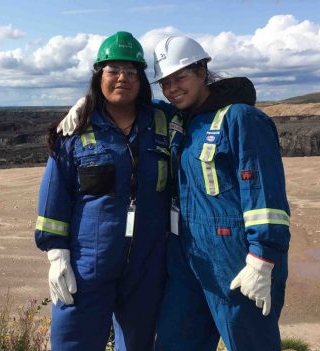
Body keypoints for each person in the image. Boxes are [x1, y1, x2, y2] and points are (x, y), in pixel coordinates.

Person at [34, 31, 175, 351]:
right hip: (88, 266)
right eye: (113, 71)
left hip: (147, 266)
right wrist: (56, 254)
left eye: (131, 71)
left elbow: (207, 99)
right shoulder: (75, 130)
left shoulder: (164, 122)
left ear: (141, 80)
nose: (122, 77)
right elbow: (54, 195)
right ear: (99, 76)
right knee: (73, 344)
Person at [151, 36, 291, 351]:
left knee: (250, 344)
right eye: (165, 82)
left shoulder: (240, 118)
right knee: (174, 343)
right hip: (187, 259)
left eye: (180, 77)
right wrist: (89, 105)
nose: (172, 88)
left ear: (203, 71)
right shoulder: (183, 121)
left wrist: (262, 259)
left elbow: (264, 196)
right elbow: (133, 106)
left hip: (236, 259)